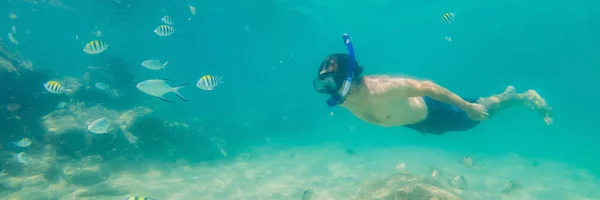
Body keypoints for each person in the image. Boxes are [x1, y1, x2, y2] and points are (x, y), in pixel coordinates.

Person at [313, 52, 553, 135]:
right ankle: (505, 95)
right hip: (418, 124)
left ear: (348, 77)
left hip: (436, 113)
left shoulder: (380, 89)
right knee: (480, 110)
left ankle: (519, 97)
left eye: (332, 82)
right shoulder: (343, 99)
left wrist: (467, 108)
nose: (329, 91)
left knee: (484, 112)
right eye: (323, 84)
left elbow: (428, 86)